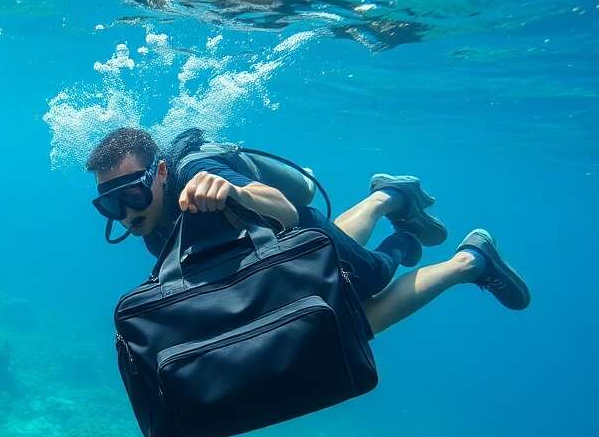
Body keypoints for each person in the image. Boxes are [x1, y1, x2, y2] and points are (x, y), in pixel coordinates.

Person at [87, 127, 530, 333]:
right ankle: (390, 195)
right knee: (334, 310)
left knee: (367, 292)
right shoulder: (150, 230)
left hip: (294, 229)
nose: (125, 212)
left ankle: (468, 258)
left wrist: (233, 192)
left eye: (132, 193)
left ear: (161, 172)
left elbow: (287, 209)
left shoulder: (197, 169)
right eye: (110, 202)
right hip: (278, 254)